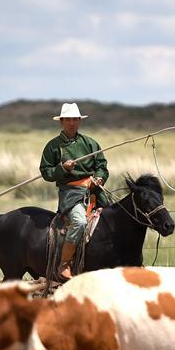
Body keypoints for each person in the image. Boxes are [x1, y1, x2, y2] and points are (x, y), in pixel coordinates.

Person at [40, 102, 109, 279]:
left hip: (95, 190)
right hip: (70, 194)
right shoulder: (52, 146)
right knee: (80, 222)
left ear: (79, 121)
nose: (72, 122)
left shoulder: (91, 144)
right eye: (68, 119)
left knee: (115, 218)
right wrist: (63, 168)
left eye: (75, 119)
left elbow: (102, 166)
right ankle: (64, 265)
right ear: (61, 121)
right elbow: (46, 172)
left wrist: (99, 178)